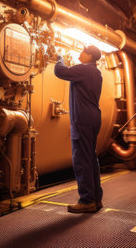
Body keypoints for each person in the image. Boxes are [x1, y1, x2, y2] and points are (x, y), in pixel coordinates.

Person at [54, 45, 103, 213]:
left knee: (81, 160)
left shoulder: (84, 69)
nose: (80, 54)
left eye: (83, 51)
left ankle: (87, 200)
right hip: (93, 118)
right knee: (90, 158)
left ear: (89, 55)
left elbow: (60, 72)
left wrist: (58, 58)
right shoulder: (96, 72)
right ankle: (96, 198)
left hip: (82, 120)